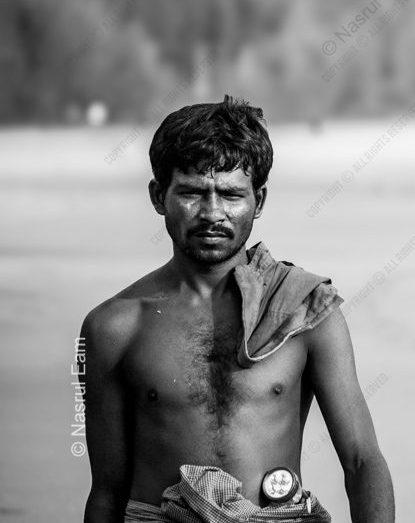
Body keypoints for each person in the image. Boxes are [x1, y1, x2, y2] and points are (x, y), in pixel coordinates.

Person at [78, 95, 394, 522]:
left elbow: (361, 460)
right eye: (191, 193)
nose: (212, 213)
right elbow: (107, 492)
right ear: (158, 196)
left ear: (258, 201)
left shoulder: (302, 311)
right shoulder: (113, 327)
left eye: (230, 195)